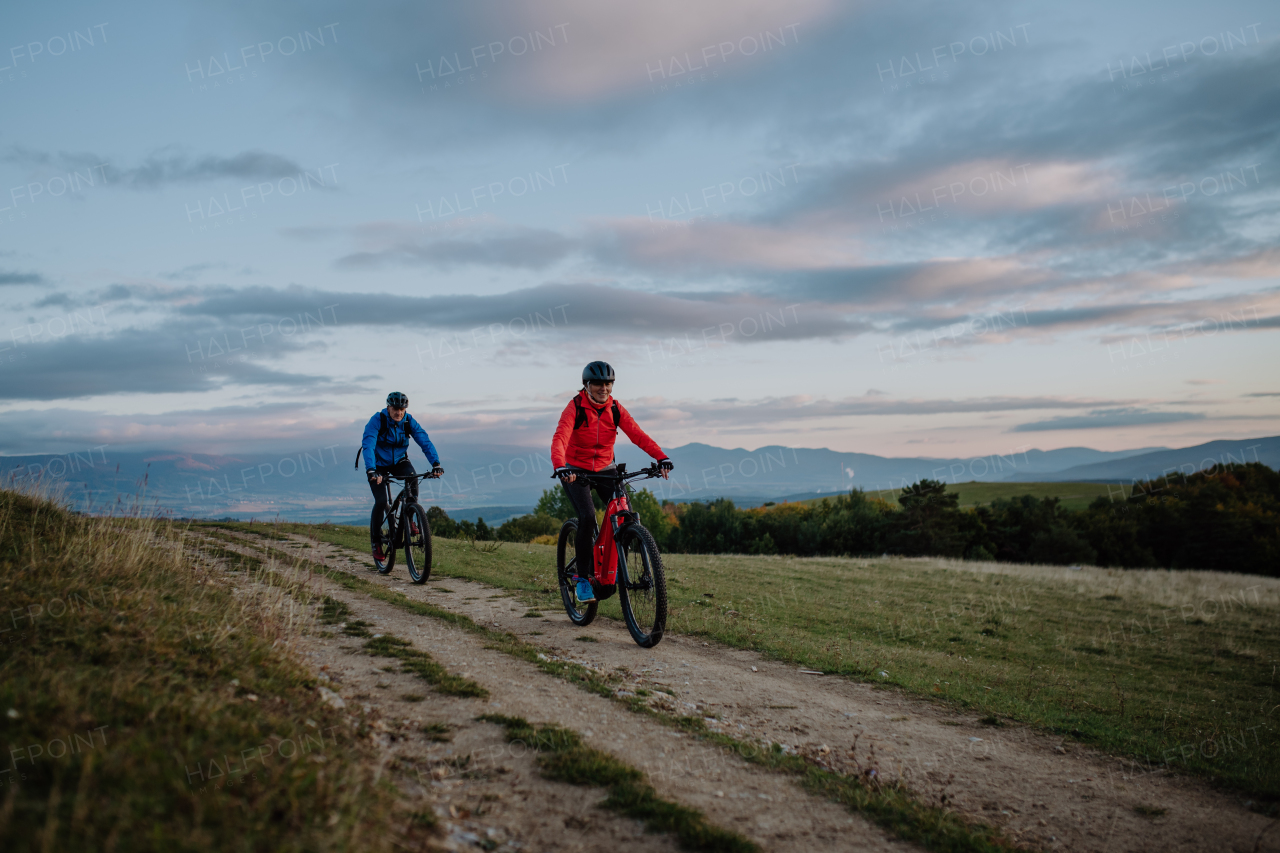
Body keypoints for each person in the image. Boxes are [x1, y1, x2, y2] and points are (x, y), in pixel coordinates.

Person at [551, 361, 673, 603]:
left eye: (608, 383)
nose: (603, 388)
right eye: (598, 383)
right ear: (587, 385)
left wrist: (661, 457)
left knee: (624, 513)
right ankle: (583, 579)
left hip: (606, 468)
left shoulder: (615, 408)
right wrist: (560, 466)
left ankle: (615, 569)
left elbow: (637, 434)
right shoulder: (575, 407)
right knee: (587, 517)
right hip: (575, 470)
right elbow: (561, 437)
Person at [363, 391, 443, 562]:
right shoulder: (378, 420)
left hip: (399, 462)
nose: (398, 412)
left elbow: (424, 441)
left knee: (413, 478)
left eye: (402, 409)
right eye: (395, 409)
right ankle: (376, 541)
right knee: (381, 501)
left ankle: (411, 517)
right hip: (377, 465)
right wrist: (371, 469)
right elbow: (368, 444)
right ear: (388, 407)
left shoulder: (408, 421)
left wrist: (435, 463)